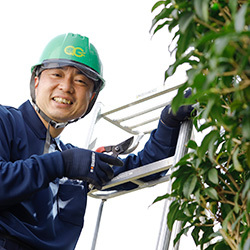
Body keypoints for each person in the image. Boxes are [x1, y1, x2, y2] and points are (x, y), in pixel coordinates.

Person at [0, 33, 193, 250]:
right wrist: (62, 163)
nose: (66, 86)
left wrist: (168, 121)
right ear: (36, 81)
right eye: (56, 74)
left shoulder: (76, 159)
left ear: (91, 98)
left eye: (81, 81)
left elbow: (144, 169)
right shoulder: (5, 122)